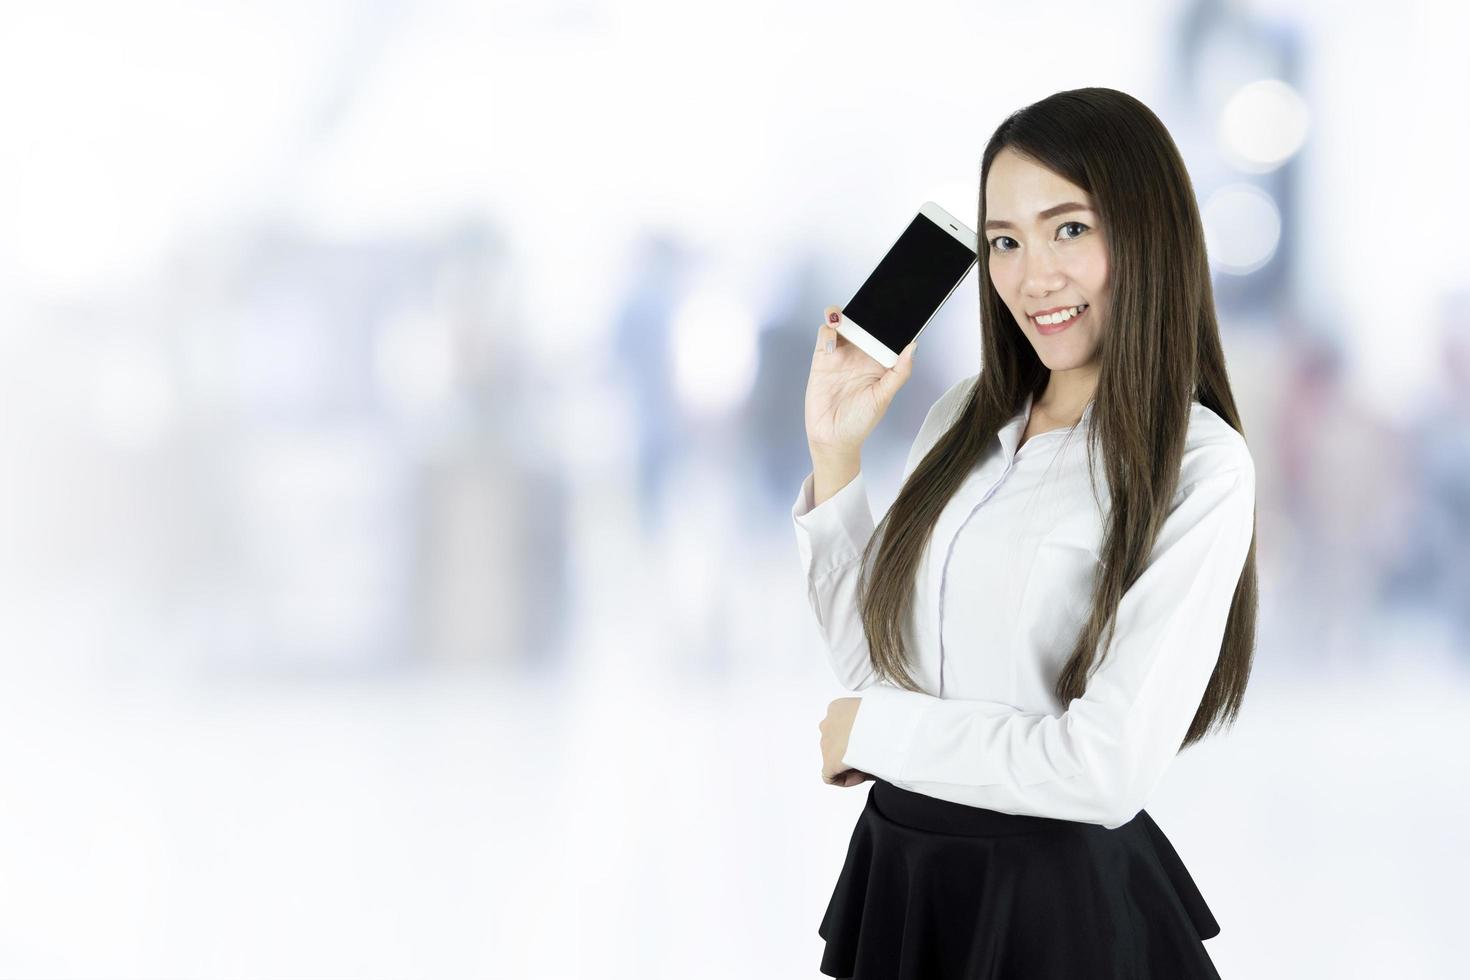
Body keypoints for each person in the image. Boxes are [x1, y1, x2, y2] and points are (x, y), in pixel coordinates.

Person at [793, 87, 1258, 979]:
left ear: (1147, 232)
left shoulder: (1200, 466)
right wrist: (835, 452)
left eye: (1069, 230)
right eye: (1004, 240)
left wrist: (877, 736)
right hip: (905, 881)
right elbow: (879, 673)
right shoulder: (966, 417)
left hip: (1053, 911)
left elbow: (1102, 771)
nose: (1031, 275)